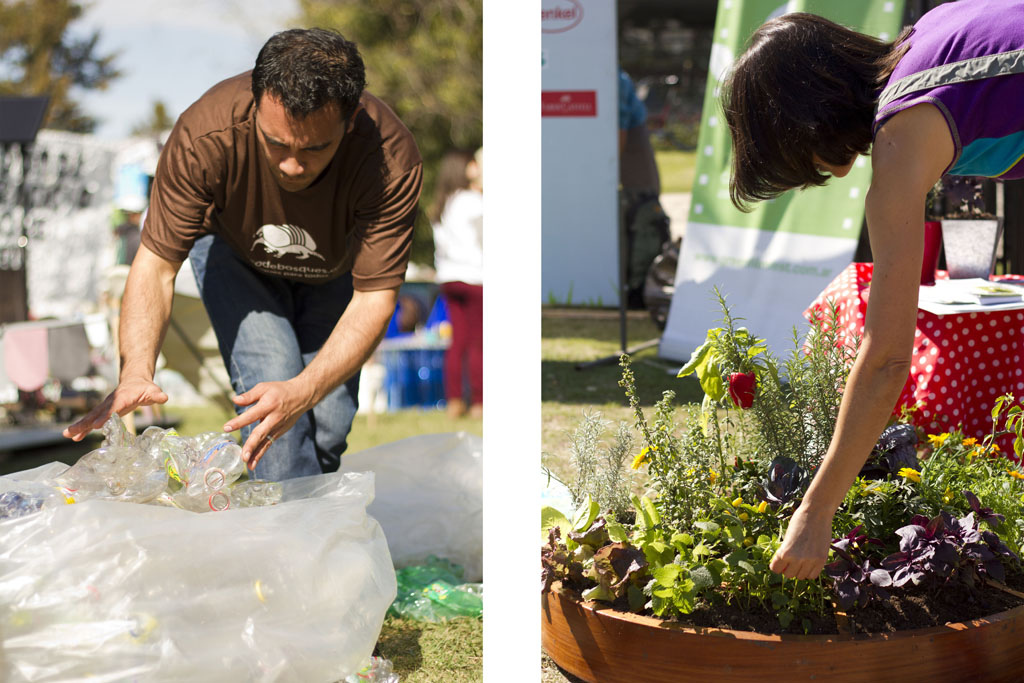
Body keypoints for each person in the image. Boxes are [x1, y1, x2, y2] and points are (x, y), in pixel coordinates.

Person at [721, 1, 1024, 580]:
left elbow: (887, 359)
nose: (814, 176)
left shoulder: (902, 135)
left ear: (811, 120)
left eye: (796, 161)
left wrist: (815, 511)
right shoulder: (929, 38)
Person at [64, 28, 423, 481]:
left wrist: (305, 390)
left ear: (349, 122)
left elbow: (375, 298)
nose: (292, 165)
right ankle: (287, 543)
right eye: (277, 144)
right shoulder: (205, 134)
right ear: (256, 107)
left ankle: (288, 517)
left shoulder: (390, 157)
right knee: (275, 412)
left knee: (326, 427)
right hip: (237, 259)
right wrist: (136, 370)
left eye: (314, 148)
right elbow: (154, 265)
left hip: (337, 270)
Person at [429, 148, 483, 418]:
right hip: (475, 276)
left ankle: (453, 401)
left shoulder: (441, 202)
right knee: (478, 343)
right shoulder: (473, 200)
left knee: (457, 342)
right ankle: (479, 402)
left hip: (448, 276)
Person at [618, 70, 670, 309]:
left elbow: (620, 129)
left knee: (641, 224)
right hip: (625, 170)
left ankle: (638, 290)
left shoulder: (614, 79)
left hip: (634, 173)